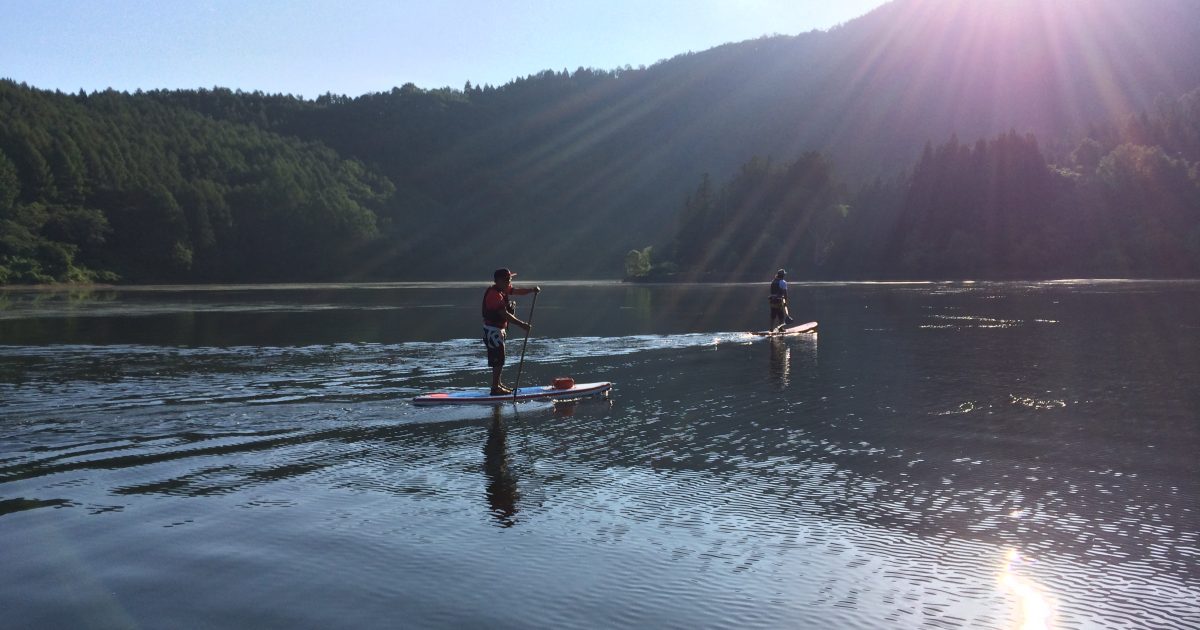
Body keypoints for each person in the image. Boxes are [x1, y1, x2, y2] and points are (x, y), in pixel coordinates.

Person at [482, 268, 540, 395]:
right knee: (498, 359)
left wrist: (531, 290)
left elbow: (517, 291)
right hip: (493, 331)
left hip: (498, 330)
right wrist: (522, 325)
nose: (509, 282)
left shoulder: (503, 289)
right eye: (507, 280)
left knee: (500, 358)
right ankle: (495, 388)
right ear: (497, 281)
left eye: (510, 279)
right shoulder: (494, 295)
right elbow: (504, 314)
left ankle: (498, 384)